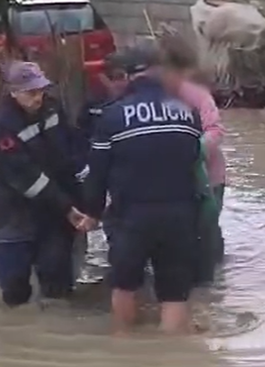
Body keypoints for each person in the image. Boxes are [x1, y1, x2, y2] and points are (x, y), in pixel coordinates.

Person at [83, 43, 203, 335]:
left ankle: (124, 347)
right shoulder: (188, 112)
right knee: (174, 291)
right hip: (180, 213)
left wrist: (92, 214)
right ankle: (168, 352)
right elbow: (192, 160)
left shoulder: (112, 116)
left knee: (124, 284)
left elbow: (97, 173)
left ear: (129, 75)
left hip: (131, 215)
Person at [0, 61, 94, 307]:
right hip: (7, 213)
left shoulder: (52, 109)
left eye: (40, 89)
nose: (38, 97)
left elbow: (67, 154)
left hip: (51, 210)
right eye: (31, 92)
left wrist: (84, 203)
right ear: (14, 91)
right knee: (16, 292)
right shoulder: (1, 124)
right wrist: (68, 208)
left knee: (58, 285)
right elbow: (25, 177)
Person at [158, 35, 227, 284]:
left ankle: (212, 284)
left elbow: (216, 130)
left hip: (209, 177)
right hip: (174, 180)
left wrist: (191, 150)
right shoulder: (153, 96)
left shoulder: (196, 95)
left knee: (205, 231)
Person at [76, 51, 130, 243]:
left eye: (123, 77)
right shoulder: (93, 103)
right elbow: (80, 133)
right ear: (103, 79)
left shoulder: (134, 103)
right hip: (100, 161)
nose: (119, 83)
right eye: (114, 78)